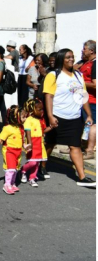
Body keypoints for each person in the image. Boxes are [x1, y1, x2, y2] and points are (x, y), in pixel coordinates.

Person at [43, 49, 95, 187]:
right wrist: (50, 116)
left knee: (75, 146)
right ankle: (41, 166)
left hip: (74, 117)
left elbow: (83, 96)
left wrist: (88, 114)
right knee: (50, 143)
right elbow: (49, 96)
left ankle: (82, 177)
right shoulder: (53, 75)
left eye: (72, 57)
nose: (71, 59)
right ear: (61, 59)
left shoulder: (78, 75)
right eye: (68, 57)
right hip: (58, 116)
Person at [0, 105, 26, 194]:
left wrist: (25, 145)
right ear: (15, 117)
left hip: (18, 151)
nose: (25, 119)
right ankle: (7, 185)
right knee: (11, 169)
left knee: (16, 169)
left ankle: (12, 183)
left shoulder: (21, 128)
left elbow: (22, 139)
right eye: (23, 117)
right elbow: (0, 138)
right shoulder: (7, 128)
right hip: (9, 151)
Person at [19, 98, 51, 188]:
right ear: (32, 109)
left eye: (42, 109)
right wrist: (29, 143)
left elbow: (44, 131)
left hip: (39, 143)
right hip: (32, 142)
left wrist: (51, 127)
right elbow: (28, 132)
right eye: (39, 109)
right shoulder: (29, 120)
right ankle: (23, 170)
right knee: (32, 162)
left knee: (37, 162)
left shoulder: (41, 120)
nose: (42, 111)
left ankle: (32, 178)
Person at [79, 40, 96, 160]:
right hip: (82, 99)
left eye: (84, 48)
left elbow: (95, 85)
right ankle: (81, 146)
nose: (82, 51)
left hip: (91, 101)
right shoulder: (86, 63)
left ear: (91, 50)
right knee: (83, 124)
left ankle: (89, 150)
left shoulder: (95, 64)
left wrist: (79, 83)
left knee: (91, 125)